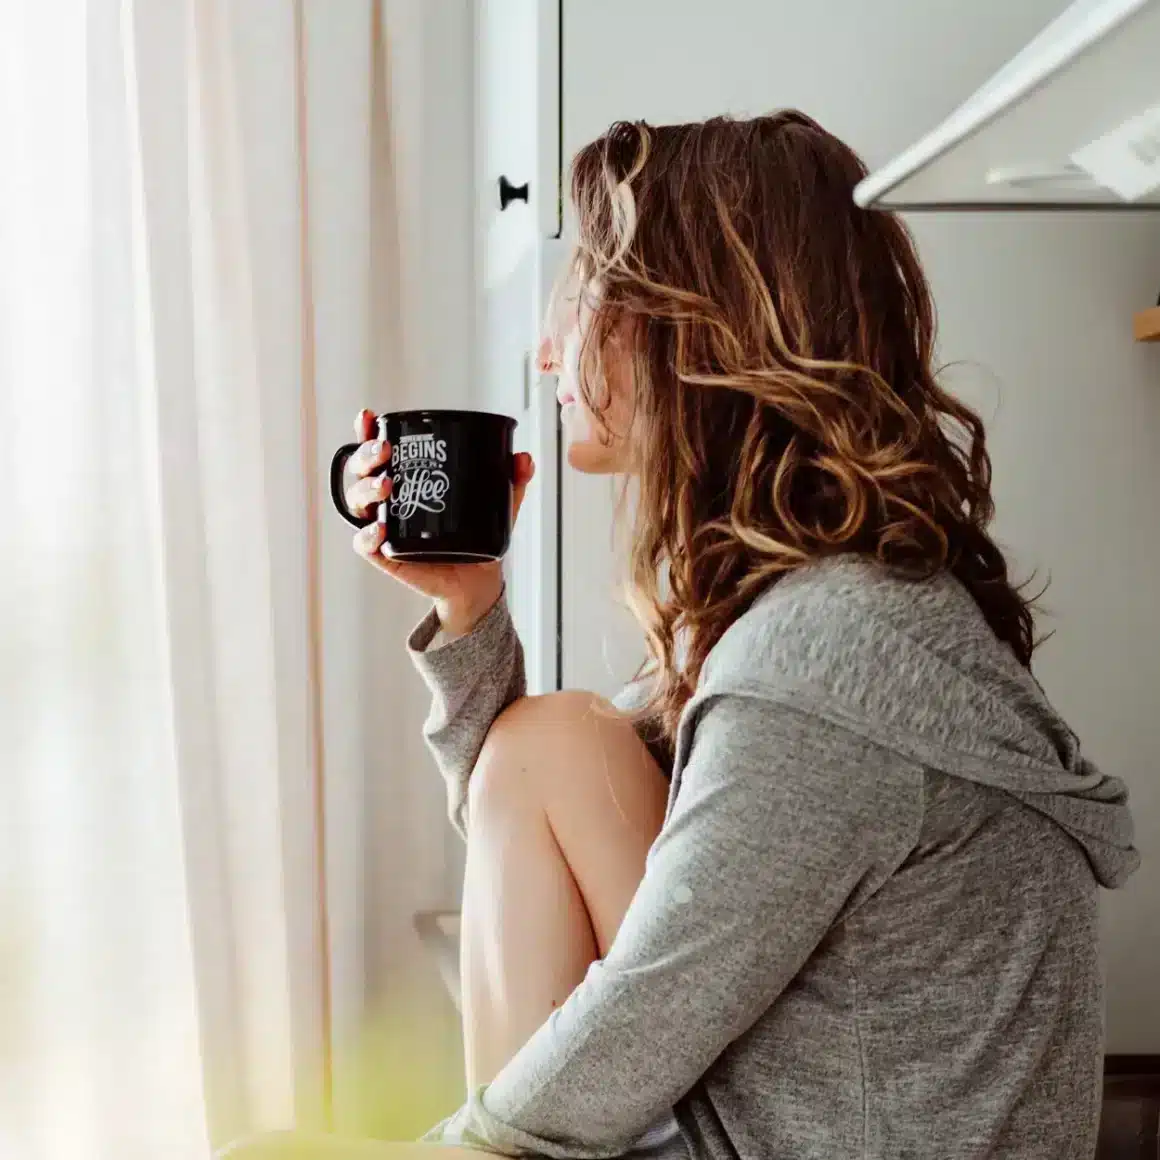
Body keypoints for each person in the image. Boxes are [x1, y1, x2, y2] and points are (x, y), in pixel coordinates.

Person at [231, 113, 1139, 1160]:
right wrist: (470, 611)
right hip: (803, 1121)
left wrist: (436, 1150)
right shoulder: (832, 612)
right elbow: (517, 849)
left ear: (694, 323)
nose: (545, 349)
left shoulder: (822, 657)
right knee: (550, 742)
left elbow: (642, 1011)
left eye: (581, 292)